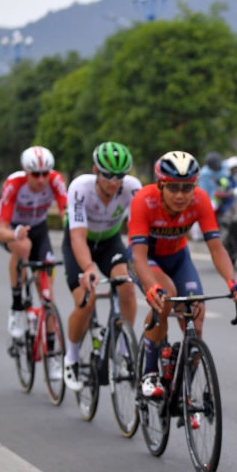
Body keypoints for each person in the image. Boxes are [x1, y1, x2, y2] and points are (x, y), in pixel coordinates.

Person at [128, 150, 237, 399]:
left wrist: (232, 282)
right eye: (173, 188)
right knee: (166, 297)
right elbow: (138, 256)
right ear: (160, 185)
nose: (181, 195)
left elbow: (216, 248)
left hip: (178, 258)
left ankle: (183, 393)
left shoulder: (200, 200)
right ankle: (148, 373)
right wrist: (151, 288)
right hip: (148, 259)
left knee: (197, 314)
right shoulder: (144, 199)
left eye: (187, 187)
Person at [61, 142, 143, 392]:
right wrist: (88, 268)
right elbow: (77, 237)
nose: (114, 182)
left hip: (109, 242)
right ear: (96, 170)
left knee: (127, 288)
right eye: (108, 175)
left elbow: (139, 230)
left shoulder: (132, 188)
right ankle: (72, 358)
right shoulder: (80, 188)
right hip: (80, 241)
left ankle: (121, 356)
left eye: (120, 176)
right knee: (87, 300)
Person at [0, 146, 69, 379]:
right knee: (24, 247)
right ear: (26, 172)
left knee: (47, 294)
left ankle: (53, 356)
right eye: (35, 175)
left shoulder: (56, 180)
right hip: (14, 230)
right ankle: (17, 306)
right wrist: (16, 235)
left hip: (39, 229)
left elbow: (66, 212)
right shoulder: (14, 184)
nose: (41, 179)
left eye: (45, 173)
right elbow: (0, 231)